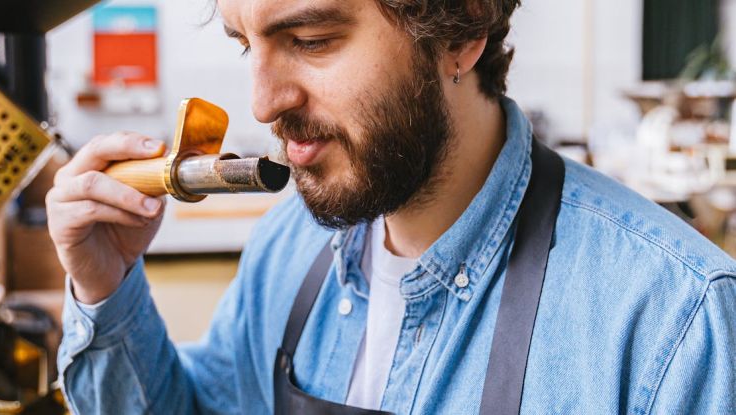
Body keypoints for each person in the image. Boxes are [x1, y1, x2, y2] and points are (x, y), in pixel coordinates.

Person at [46, 0, 736, 413]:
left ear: (461, 29)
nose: (262, 103)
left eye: (310, 40)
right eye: (244, 43)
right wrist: (107, 288)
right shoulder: (287, 245)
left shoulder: (672, 321)